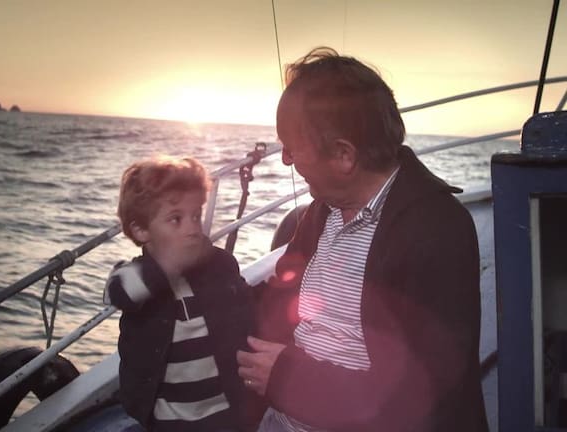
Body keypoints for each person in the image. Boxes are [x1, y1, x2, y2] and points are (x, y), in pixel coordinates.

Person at [236, 47, 488, 431]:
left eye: (291, 147)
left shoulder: (437, 230)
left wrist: (287, 378)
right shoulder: (323, 210)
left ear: (343, 156)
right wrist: (209, 288)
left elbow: (421, 396)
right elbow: (281, 297)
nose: (286, 160)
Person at [105, 156, 257, 432]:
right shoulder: (134, 276)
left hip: (227, 411)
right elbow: (118, 293)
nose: (192, 228)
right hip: (168, 420)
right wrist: (169, 266)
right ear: (141, 230)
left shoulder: (219, 264)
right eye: (176, 219)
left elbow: (248, 313)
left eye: (195, 216)